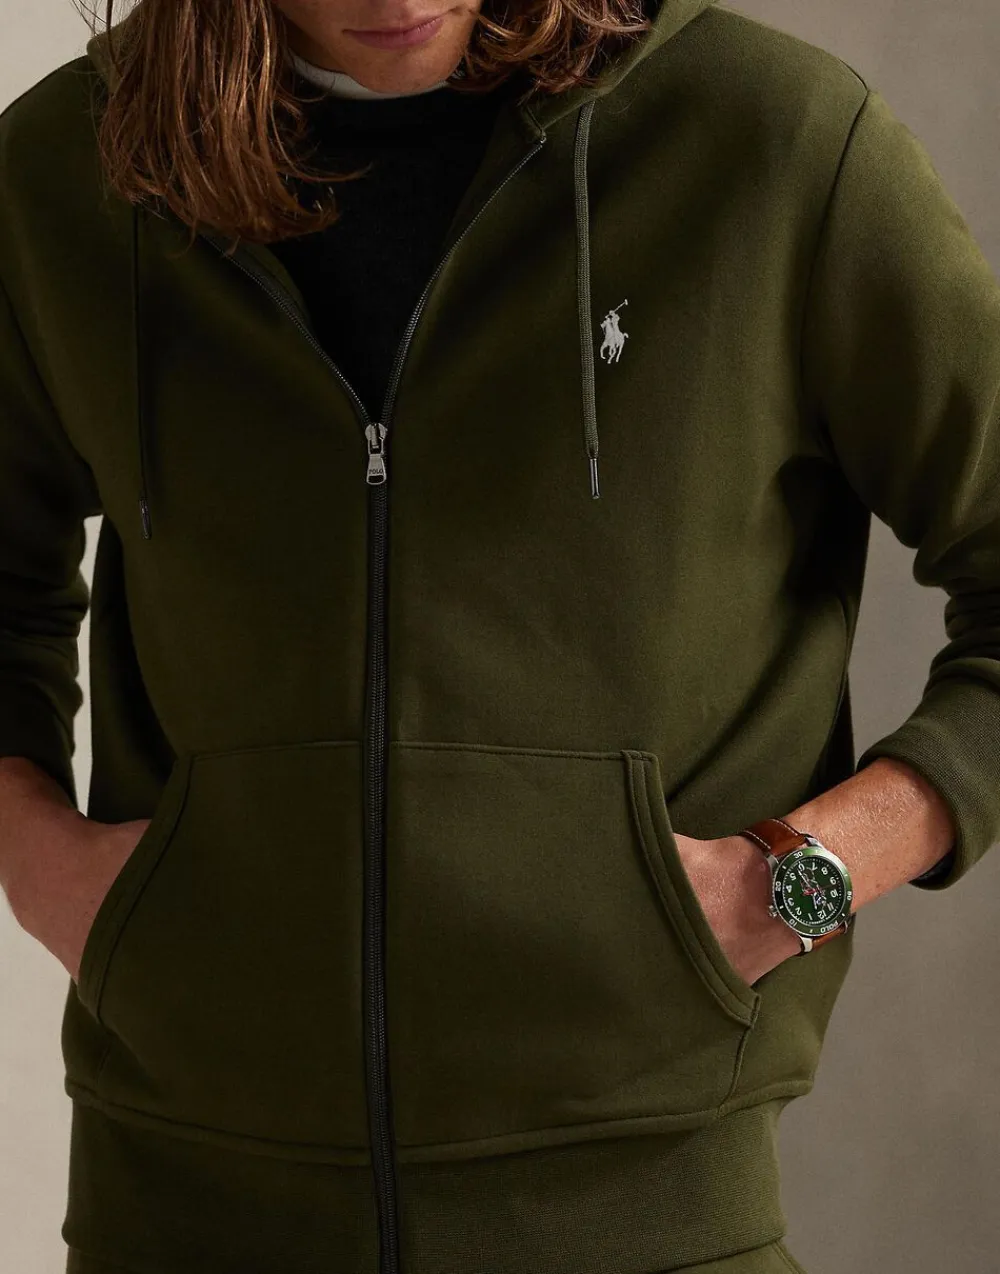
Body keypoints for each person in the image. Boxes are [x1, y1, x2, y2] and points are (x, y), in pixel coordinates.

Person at [0, 0, 996, 1271]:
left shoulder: (769, 143)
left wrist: (801, 876)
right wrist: (41, 862)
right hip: (174, 1218)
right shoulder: (74, 167)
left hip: (649, 1222)